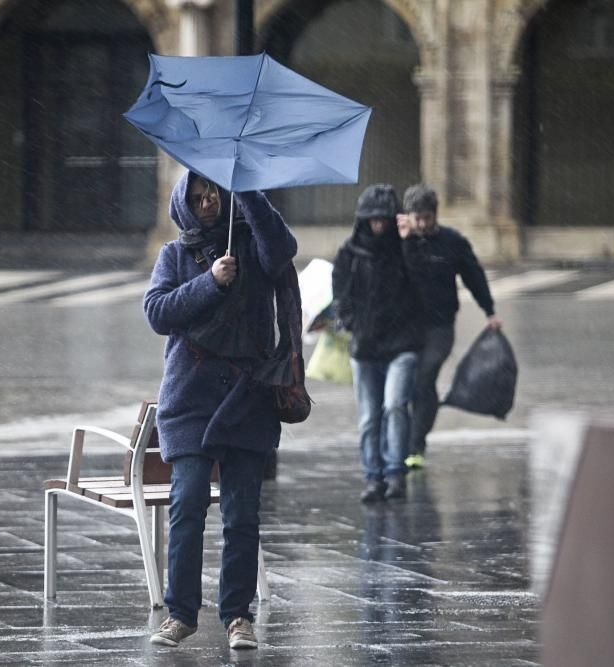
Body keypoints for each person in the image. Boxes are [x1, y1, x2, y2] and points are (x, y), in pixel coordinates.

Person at [144, 171, 297, 650]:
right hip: (190, 399)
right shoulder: (175, 255)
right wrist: (209, 282)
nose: (207, 200)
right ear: (184, 201)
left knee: (241, 515)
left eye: (214, 191)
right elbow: (157, 312)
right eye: (197, 194)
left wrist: (248, 189)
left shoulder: (254, 247)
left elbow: (282, 248)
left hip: (247, 397)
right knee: (186, 506)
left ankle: (237, 616)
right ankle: (181, 614)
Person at [396, 184, 501, 468]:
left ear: (435, 216)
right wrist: (404, 241)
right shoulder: (398, 241)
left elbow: (473, 275)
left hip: (440, 325)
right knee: (405, 385)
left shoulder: (452, 242)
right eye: (416, 217)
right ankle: (401, 440)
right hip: (404, 325)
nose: (421, 224)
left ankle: (416, 444)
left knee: (424, 377)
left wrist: (489, 310)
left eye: (426, 218)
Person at [333, 184, 423, 502]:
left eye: (383, 219)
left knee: (395, 407)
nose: (379, 226)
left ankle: (395, 472)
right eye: (373, 220)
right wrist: (354, 325)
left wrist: (410, 242)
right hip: (366, 347)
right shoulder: (349, 254)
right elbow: (341, 299)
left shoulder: (406, 250)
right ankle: (373, 476)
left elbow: (426, 288)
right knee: (369, 416)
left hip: (402, 345)